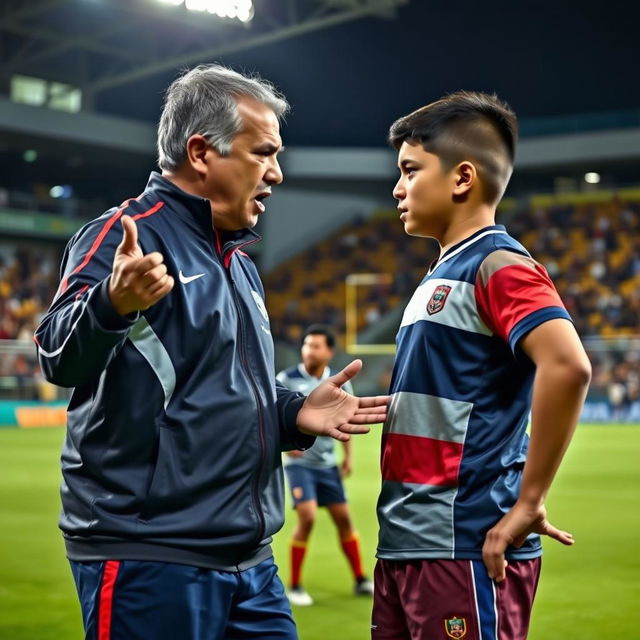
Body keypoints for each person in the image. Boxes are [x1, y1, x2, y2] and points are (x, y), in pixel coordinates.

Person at [34, 64, 388, 640]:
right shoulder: (127, 234)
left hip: (250, 558)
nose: (276, 172)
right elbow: (57, 357)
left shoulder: (241, 264)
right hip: (151, 555)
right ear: (201, 152)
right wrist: (111, 303)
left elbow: (220, 386)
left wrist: (292, 410)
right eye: (263, 152)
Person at [371, 91, 591, 640]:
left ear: (462, 177)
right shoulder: (442, 273)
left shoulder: (498, 263)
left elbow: (568, 366)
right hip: (410, 541)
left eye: (409, 169)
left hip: (463, 543)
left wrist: (529, 500)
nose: (397, 188)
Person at [276, 324, 374, 606]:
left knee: (343, 519)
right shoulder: (286, 378)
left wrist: (348, 457)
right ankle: (294, 585)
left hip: (327, 465)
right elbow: (272, 411)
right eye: (307, 345)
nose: (310, 350)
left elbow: (347, 418)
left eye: (316, 345)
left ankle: (359, 579)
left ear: (330, 352)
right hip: (299, 465)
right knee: (306, 517)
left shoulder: (339, 381)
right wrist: (287, 442)